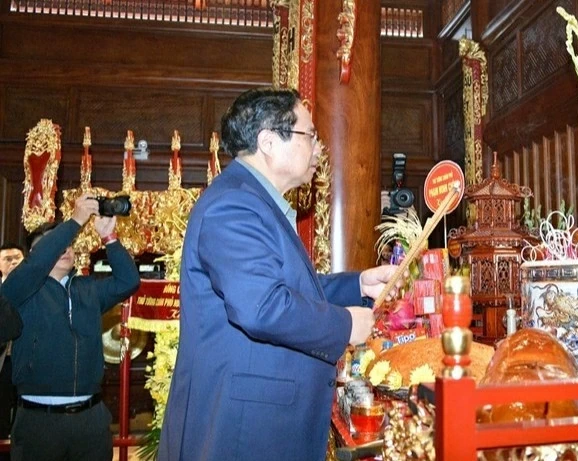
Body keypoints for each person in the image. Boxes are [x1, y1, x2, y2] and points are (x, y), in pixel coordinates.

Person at [158, 88, 402, 461]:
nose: (319, 148)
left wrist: (357, 284)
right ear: (269, 142)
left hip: (261, 422)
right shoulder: (233, 206)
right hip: (244, 430)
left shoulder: (251, 200)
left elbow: (285, 288)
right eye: (310, 135)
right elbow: (261, 307)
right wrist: (344, 326)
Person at [0, 194, 141, 461]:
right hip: (38, 423)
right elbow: (37, 264)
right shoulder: (20, 291)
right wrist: (75, 220)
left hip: (90, 421)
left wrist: (109, 238)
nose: (65, 249)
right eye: (56, 245)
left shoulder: (87, 289)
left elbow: (128, 281)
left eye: (69, 245)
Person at [0, 243, 24, 442]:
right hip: (2, 360)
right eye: (8, 259)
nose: (14, 262)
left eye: (17, 258)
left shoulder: (34, 289)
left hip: (25, 357)